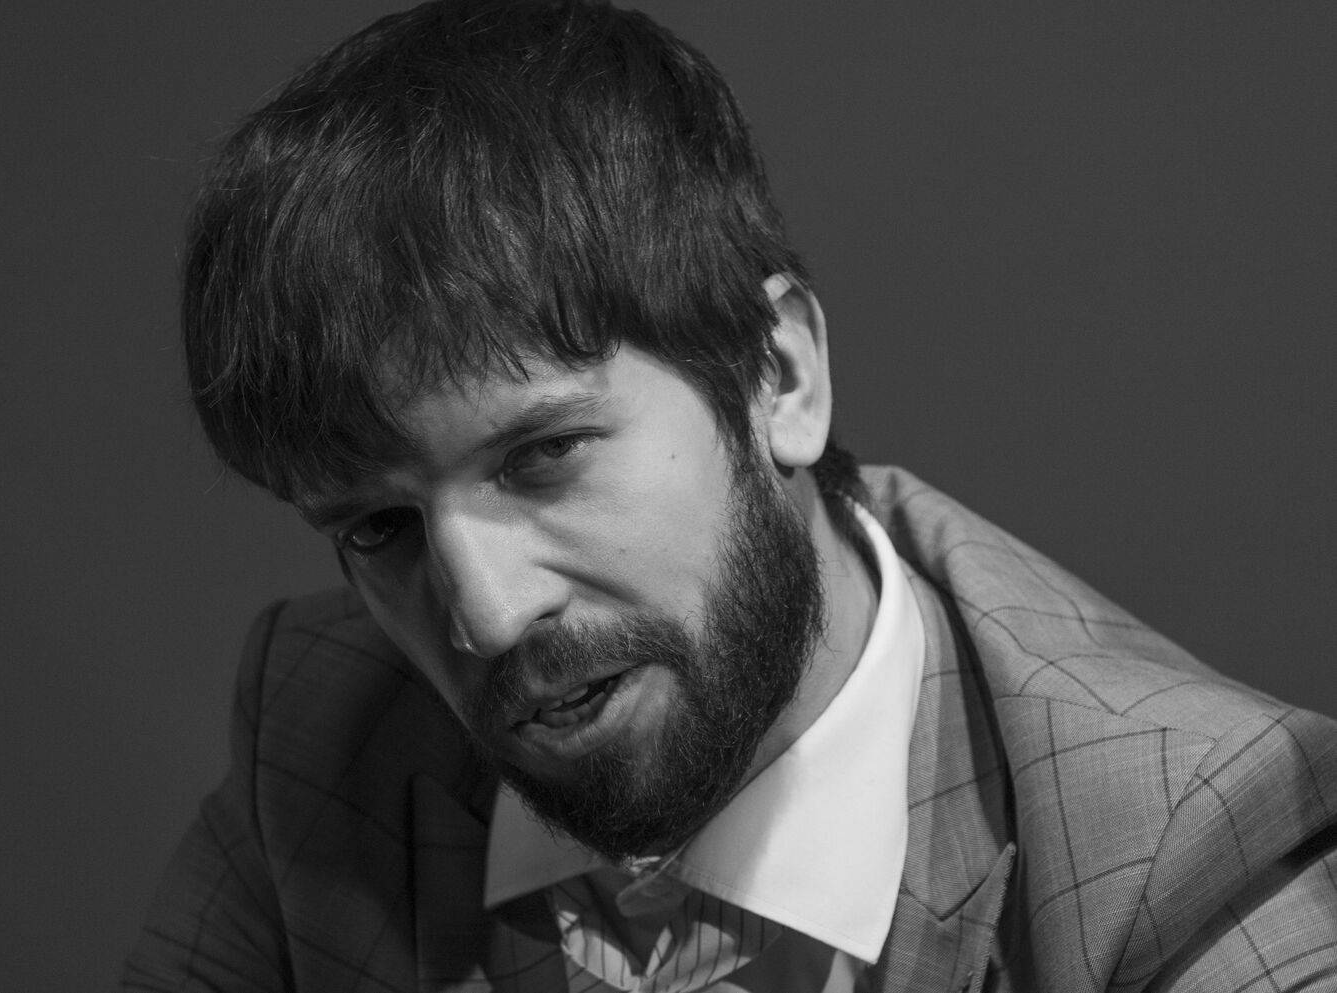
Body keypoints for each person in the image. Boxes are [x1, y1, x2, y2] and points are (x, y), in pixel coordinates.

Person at [123, 1, 1337, 990]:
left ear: (779, 376)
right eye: (381, 527)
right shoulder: (322, 734)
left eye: (544, 455)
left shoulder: (1184, 855)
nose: (484, 615)